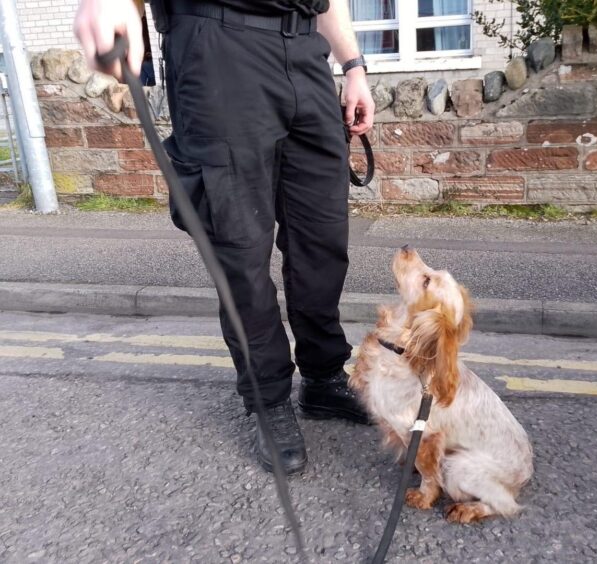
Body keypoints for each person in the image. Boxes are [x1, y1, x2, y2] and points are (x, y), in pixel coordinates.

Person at [74, 0, 375, 475]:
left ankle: (322, 377)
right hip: (216, 46)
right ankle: (269, 400)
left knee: (322, 240)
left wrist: (354, 67)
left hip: (307, 52)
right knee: (240, 249)